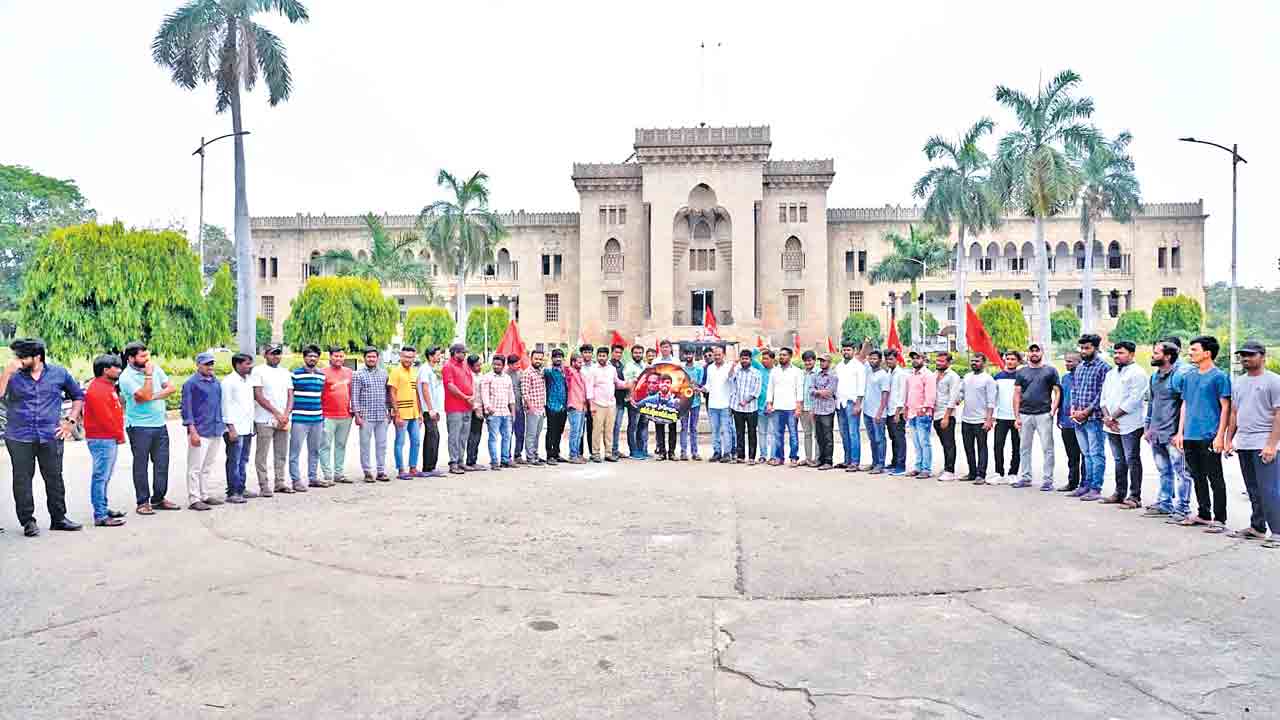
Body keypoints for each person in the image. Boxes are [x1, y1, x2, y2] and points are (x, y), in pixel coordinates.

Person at [1, 338, 84, 535]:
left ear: (37, 357)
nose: (18, 360)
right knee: (22, 480)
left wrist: (71, 421)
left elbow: (78, 396)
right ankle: (28, 522)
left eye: (22, 356)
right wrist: (6, 373)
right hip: (19, 436)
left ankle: (59, 518)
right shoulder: (12, 375)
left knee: (55, 478)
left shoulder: (59, 373)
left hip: (50, 435)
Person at [1173, 336, 1233, 532]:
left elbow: (1226, 407)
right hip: (1190, 434)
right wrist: (1180, 433)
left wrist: (1220, 436)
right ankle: (1203, 514)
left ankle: (1220, 518)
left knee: (1215, 478)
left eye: (1194, 350)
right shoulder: (1189, 377)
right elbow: (1185, 404)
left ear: (1207, 353)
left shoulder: (1219, 377)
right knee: (1197, 476)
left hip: (1209, 435)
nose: (1190, 353)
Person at [1225, 340, 1280, 547]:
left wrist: (1271, 445)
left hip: (1264, 443)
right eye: (1243, 355)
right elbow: (1234, 412)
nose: (1245, 358)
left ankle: (1278, 532)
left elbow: (1279, 414)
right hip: (1245, 443)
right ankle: (1257, 527)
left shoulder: (1274, 381)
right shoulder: (1239, 382)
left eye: (1250, 354)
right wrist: (1229, 439)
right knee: (1253, 489)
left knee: (1269, 490)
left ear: (1262, 356)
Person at [119, 341, 180, 514]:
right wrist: (148, 377)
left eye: (147, 355)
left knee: (162, 463)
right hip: (139, 427)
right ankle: (142, 502)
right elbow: (142, 395)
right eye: (142, 356)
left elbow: (171, 388)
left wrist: (152, 396)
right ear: (131, 358)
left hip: (159, 424)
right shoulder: (126, 377)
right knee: (141, 465)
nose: (147, 359)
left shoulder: (155, 369)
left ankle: (159, 498)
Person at [1143, 341, 1191, 517]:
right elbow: (1152, 403)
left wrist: (1180, 433)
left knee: (1182, 472)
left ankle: (1183, 508)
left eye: (1156, 353)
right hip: (1156, 433)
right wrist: (1148, 427)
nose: (1153, 356)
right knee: (1164, 470)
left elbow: (1185, 405)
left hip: (1172, 434)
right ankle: (1164, 503)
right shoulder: (1154, 377)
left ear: (1168, 356)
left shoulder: (1178, 377)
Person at [1100, 341, 1148, 507]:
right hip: (1111, 425)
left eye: (1121, 353)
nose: (1117, 356)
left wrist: (1112, 417)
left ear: (1132, 354)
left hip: (1130, 425)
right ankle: (1119, 493)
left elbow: (1133, 401)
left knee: (1131, 460)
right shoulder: (1111, 374)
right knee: (1118, 460)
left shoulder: (1138, 373)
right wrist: (1108, 418)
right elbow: (1103, 398)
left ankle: (1135, 496)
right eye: (1115, 353)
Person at [83, 353, 127, 527]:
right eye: (115, 367)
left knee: (105, 476)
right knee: (100, 476)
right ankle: (100, 514)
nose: (119, 370)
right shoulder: (98, 389)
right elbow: (105, 418)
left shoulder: (106, 386)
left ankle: (103, 507)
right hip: (102, 438)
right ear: (105, 370)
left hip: (107, 437)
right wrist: (119, 435)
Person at [1069, 334, 1112, 501]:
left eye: (1087, 348)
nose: (1083, 351)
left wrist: (1087, 411)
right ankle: (1085, 485)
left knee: (1096, 453)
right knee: (1086, 454)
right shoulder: (1080, 367)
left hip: (1094, 418)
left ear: (1096, 348)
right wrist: (1074, 409)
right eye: (1082, 348)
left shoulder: (1104, 368)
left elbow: (1103, 393)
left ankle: (1095, 488)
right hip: (1078, 418)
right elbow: (1074, 390)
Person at [1012, 343, 1061, 491]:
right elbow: (1016, 395)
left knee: (1048, 448)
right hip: (1025, 414)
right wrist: (1017, 416)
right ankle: (1025, 477)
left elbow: (1057, 391)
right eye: (1031, 351)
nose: (1034, 353)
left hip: (1044, 414)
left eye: (1037, 350)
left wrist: (1053, 410)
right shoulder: (1021, 372)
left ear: (1042, 352)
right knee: (1024, 448)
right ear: (1028, 353)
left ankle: (1048, 480)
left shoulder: (1050, 371)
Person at [182, 352, 225, 509]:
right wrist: (192, 431)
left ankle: (204, 494)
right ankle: (194, 499)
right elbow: (186, 409)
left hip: (215, 429)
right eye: (206, 364)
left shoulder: (216, 382)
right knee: (195, 467)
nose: (210, 367)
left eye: (211, 363)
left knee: (207, 466)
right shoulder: (191, 383)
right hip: (200, 430)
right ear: (198, 365)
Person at [251, 344, 292, 495]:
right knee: (262, 454)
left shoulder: (285, 372)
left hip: (283, 420)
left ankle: (280, 482)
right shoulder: (258, 371)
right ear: (265, 355)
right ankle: (264, 485)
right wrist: (276, 413)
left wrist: (286, 414)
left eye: (278, 353)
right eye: (272, 353)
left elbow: (290, 395)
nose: (275, 356)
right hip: (264, 419)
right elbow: (258, 396)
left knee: (281, 452)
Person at [288, 345, 328, 491]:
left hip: (317, 419)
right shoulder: (295, 375)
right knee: (295, 451)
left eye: (315, 356)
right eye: (310, 356)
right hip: (300, 419)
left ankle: (313, 478)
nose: (312, 358)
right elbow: (290, 396)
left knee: (315, 450)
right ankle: (296, 480)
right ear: (304, 357)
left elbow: (321, 396)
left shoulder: (321, 375)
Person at [352, 346, 393, 482]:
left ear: (377, 358)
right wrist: (357, 415)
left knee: (382, 444)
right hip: (365, 416)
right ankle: (367, 472)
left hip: (382, 415)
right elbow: (354, 396)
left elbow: (387, 394)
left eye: (373, 357)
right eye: (368, 357)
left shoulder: (384, 373)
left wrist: (389, 411)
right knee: (365, 445)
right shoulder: (358, 374)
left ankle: (381, 471)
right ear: (364, 358)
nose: (371, 359)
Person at [223, 353, 256, 502]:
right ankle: (233, 492)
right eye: (247, 363)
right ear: (237, 365)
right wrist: (231, 428)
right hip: (235, 428)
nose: (250, 366)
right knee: (234, 461)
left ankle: (241, 488)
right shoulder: (228, 382)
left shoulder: (248, 381)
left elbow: (249, 405)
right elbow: (225, 406)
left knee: (243, 460)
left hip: (247, 427)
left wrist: (252, 425)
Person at [959, 354, 997, 484]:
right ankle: (972, 473)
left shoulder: (988, 380)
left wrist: (989, 420)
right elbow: (962, 393)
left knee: (982, 447)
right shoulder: (967, 377)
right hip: (966, 419)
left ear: (984, 363)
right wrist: (958, 400)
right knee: (968, 447)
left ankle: (981, 474)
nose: (974, 363)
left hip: (981, 420)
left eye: (977, 361)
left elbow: (991, 402)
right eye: (973, 361)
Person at [319, 347, 354, 483]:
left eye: (341, 356)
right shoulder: (323, 373)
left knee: (341, 445)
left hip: (345, 416)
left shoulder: (349, 372)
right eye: (336, 356)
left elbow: (352, 393)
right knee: (325, 445)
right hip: (327, 415)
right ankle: (328, 475)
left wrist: (353, 411)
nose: (338, 358)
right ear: (330, 357)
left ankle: (339, 474)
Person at [388, 346, 423, 479]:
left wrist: (420, 413)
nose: (408, 360)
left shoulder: (414, 372)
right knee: (400, 442)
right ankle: (401, 469)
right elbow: (392, 393)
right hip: (401, 414)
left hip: (414, 413)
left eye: (411, 357)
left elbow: (416, 393)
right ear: (401, 356)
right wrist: (396, 414)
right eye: (406, 357)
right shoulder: (395, 372)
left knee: (416, 441)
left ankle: (413, 468)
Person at [443, 343, 476, 475]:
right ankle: (453, 462)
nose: (464, 355)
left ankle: (461, 461)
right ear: (455, 353)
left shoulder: (465, 365)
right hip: (454, 407)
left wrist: (471, 397)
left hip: (467, 406)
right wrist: (465, 397)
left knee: (463, 436)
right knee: (454, 436)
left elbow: (470, 382)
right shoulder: (448, 366)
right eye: (462, 352)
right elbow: (450, 386)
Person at [768, 347, 804, 467]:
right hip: (777, 407)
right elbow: (770, 388)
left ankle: (794, 458)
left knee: (793, 434)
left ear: (790, 356)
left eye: (784, 355)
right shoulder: (774, 371)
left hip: (791, 408)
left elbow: (799, 389)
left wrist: (798, 406)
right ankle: (779, 458)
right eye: (780, 355)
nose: (781, 357)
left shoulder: (797, 371)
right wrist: (769, 403)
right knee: (778, 434)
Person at [1056, 353, 1085, 493]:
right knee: (1071, 455)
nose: (1067, 364)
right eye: (1066, 361)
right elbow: (1061, 398)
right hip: (1066, 421)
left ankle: (1085, 483)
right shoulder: (1065, 378)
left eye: (1070, 361)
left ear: (1079, 362)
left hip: (1081, 421)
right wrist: (1059, 416)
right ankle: (1072, 482)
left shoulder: (1083, 378)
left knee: (1085, 454)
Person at [904, 351, 937, 479]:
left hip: (923, 413)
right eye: (913, 358)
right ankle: (918, 467)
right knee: (916, 443)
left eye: (918, 358)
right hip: (912, 413)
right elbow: (908, 393)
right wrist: (906, 408)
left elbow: (931, 395)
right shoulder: (911, 375)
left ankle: (926, 469)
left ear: (924, 359)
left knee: (924, 442)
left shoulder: (928, 375)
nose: (915, 360)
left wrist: (924, 408)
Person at [585, 346, 620, 462]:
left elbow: (617, 382)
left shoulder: (612, 369)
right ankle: (595, 453)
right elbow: (589, 388)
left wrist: (630, 383)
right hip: (597, 404)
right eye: (599, 356)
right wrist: (591, 405)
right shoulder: (593, 370)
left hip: (611, 404)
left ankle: (608, 453)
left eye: (604, 356)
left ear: (607, 356)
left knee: (609, 430)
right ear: (597, 356)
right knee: (597, 430)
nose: (601, 358)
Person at [992, 351, 1022, 483]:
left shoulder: (1021, 377)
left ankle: (1013, 473)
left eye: (1013, 359)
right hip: (1001, 417)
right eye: (1008, 359)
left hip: (1017, 417)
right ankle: (999, 472)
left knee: (1017, 446)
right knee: (998, 445)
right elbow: (993, 397)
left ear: (1018, 361)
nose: (1010, 361)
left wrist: (1020, 415)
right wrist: (993, 415)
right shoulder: (998, 377)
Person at [835, 342, 865, 470]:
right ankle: (847, 460)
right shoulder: (839, 366)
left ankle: (855, 462)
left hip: (852, 402)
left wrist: (858, 404)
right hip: (840, 403)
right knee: (844, 433)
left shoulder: (858, 366)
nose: (846, 352)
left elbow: (861, 386)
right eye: (844, 350)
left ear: (854, 350)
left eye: (848, 350)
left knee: (853, 433)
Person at [729, 349, 763, 463]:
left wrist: (746, 401)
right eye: (742, 358)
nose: (744, 361)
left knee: (752, 433)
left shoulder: (756, 373)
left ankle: (752, 457)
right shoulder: (737, 371)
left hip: (751, 408)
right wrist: (733, 365)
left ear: (750, 359)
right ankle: (741, 456)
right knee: (739, 432)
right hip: (737, 408)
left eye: (746, 359)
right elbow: (729, 378)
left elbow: (757, 391)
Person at [481, 354, 515, 469]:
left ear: (503, 365)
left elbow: (511, 396)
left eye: (499, 365)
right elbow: (484, 394)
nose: (496, 366)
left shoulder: (507, 378)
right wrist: (488, 407)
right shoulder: (487, 377)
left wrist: (512, 412)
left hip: (506, 413)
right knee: (493, 438)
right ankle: (494, 461)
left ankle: (505, 460)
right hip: (493, 413)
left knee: (507, 437)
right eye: (494, 364)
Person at [932, 352, 962, 481]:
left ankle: (950, 471)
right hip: (935, 413)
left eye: (942, 361)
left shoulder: (953, 376)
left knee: (949, 443)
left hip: (946, 414)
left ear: (949, 363)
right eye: (937, 361)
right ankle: (946, 467)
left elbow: (953, 398)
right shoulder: (934, 374)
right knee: (944, 443)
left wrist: (946, 417)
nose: (938, 363)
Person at [809, 353, 839, 470]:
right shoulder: (816, 375)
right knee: (819, 436)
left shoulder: (833, 376)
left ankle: (828, 461)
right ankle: (820, 460)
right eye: (820, 361)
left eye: (824, 361)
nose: (822, 363)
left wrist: (817, 391)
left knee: (828, 437)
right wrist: (819, 392)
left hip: (827, 410)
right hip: (817, 409)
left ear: (829, 362)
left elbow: (829, 393)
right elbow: (810, 390)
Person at [862, 350, 890, 474]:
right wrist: (866, 343)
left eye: (875, 359)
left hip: (878, 413)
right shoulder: (868, 370)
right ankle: (874, 462)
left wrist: (880, 412)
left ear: (880, 360)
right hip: (867, 412)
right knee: (872, 439)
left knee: (880, 439)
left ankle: (880, 464)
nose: (872, 360)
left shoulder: (883, 375)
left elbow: (885, 395)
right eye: (871, 358)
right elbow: (861, 356)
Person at [704, 345, 734, 462]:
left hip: (725, 405)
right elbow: (708, 385)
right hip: (712, 405)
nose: (716, 357)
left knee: (726, 430)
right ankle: (717, 452)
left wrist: (732, 369)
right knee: (715, 430)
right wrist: (701, 389)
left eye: (719, 355)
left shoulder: (729, 367)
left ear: (724, 355)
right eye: (715, 354)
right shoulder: (710, 368)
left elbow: (731, 379)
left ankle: (727, 453)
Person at [883, 350, 909, 475]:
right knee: (893, 438)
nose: (889, 361)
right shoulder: (889, 372)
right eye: (887, 359)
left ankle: (901, 466)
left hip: (897, 412)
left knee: (899, 439)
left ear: (897, 360)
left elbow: (902, 394)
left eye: (891, 359)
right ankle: (894, 462)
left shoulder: (901, 374)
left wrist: (898, 412)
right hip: (889, 411)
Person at [519, 349, 547, 466]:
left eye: (540, 359)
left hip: (541, 408)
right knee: (531, 434)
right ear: (531, 359)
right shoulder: (527, 373)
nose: (538, 361)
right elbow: (525, 393)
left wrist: (543, 408)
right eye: (536, 359)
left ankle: (535, 454)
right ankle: (530, 457)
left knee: (537, 434)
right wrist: (531, 408)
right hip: (532, 409)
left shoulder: (541, 373)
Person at [543, 348, 569, 465]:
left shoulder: (565, 373)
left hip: (563, 406)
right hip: (552, 405)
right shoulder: (548, 372)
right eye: (556, 357)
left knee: (559, 431)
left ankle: (556, 453)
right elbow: (541, 371)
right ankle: (550, 455)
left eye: (560, 357)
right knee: (551, 431)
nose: (558, 359)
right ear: (552, 358)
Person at [679, 346, 705, 461]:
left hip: (695, 402)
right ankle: (683, 452)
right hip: (683, 402)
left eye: (690, 354)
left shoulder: (699, 369)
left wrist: (696, 386)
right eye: (687, 354)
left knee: (693, 428)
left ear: (694, 355)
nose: (688, 356)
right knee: (684, 427)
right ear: (683, 355)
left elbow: (700, 384)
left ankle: (695, 452)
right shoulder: (681, 369)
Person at [564, 353, 588, 463]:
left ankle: (577, 454)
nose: (581, 364)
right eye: (579, 362)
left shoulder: (580, 374)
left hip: (582, 406)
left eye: (581, 362)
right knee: (575, 432)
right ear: (573, 362)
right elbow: (565, 368)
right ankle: (573, 455)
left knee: (580, 432)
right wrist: (569, 363)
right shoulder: (571, 373)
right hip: (573, 405)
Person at [623, 345, 646, 458]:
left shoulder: (644, 366)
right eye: (636, 353)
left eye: (640, 353)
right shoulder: (628, 366)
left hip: (644, 400)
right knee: (633, 426)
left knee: (642, 425)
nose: (638, 355)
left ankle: (641, 450)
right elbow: (627, 383)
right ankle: (633, 451)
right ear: (632, 354)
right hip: (633, 400)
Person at [609, 344, 629, 461]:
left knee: (617, 427)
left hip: (621, 402)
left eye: (620, 353)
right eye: (616, 352)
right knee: (611, 427)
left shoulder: (622, 366)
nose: (618, 354)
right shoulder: (608, 366)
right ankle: (610, 450)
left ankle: (615, 449)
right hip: (611, 401)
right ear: (612, 353)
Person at [755, 349, 776, 464]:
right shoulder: (759, 369)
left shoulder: (777, 371)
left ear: (773, 359)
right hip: (760, 407)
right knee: (762, 432)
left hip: (773, 407)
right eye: (763, 358)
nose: (764, 361)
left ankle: (773, 456)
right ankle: (763, 455)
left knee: (773, 433)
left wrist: (772, 404)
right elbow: (751, 357)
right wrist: (759, 349)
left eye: (766, 358)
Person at [465, 354, 485, 469]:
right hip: (472, 409)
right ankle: (470, 461)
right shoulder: (469, 377)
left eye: (480, 364)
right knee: (472, 436)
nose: (480, 367)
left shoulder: (480, 375)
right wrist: (476, 408)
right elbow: (470, 394)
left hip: (480, 408)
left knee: (477, 435)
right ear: (470, 366)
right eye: (477, 365)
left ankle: (473, 459)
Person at [799, 351, 818, 466]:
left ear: (814, 361)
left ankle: (817, 459)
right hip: (803, 408)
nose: (807, 363)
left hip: (814, 409)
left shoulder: (818, 373)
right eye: (805, 361)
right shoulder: (801, 374)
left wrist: (814, 408)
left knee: (817, 434)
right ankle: (808, 458)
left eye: (810, 360)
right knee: (807, 434)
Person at [508, 354, 526, 463]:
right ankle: (507, 456)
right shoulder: (505, 375)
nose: (518, 366)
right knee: (508, 434)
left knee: (520, 432)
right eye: (515, 364)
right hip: (507, 409)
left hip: (519, 408)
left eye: (518, 363)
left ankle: (518, 454)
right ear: (509, 365)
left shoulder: (521, 373)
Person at [579, 343, 595, 458]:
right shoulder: (579, 367)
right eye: (585, 352)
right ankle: (579, 453)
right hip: (580, 401)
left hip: (593, 402)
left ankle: (592, 452)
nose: (587, 354)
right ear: (581, 354)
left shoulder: (595, 367)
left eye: (589, 352)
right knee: (580, 428)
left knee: (592, 428)